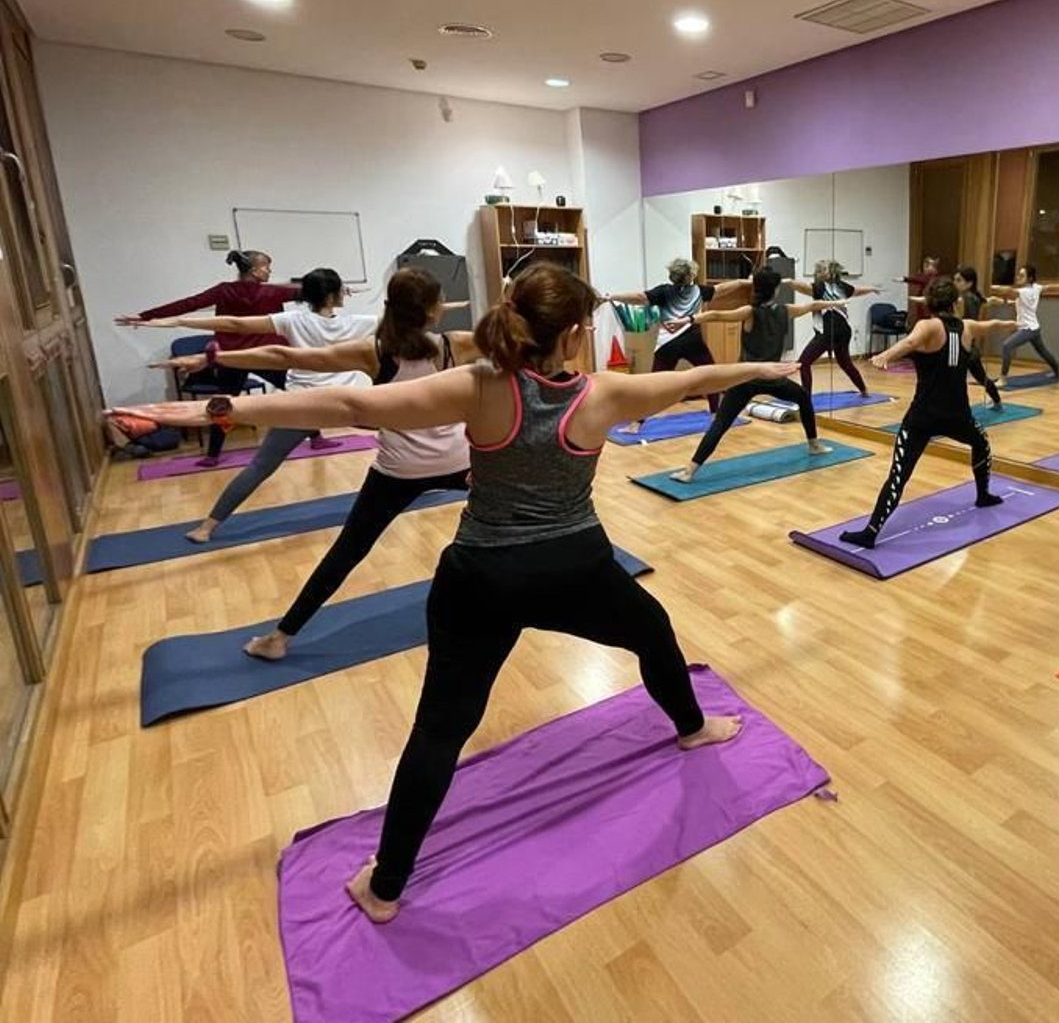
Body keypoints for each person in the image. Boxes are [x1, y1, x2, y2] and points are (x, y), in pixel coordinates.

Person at [120, 262, 787, 922]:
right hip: (577, 569)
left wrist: (218, 407)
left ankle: (385, 886)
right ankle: (693, 728)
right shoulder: (604, 393)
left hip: (482, 579)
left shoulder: (481, 385)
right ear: (573, 334)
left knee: (441, 729)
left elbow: (352, 405)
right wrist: (762, 368)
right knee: (652, 630)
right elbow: (695, 378)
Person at [152, 268, 479, 659]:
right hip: (458, 463)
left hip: (399, 470)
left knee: (347, 551)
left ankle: (279, 639)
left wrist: (213, 357)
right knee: (520, 515)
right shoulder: (456, 344)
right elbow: (518, 342)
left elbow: (282, 355)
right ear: (433, 308)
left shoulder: (374, 350)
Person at [121, 268, 376, 542]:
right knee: (401, 435)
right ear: (334, 295)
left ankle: (206, 528)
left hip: (300, 406)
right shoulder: (359, 323)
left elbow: (234, 324)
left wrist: (170, 321)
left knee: (260, 466)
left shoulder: (292, 320)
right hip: (346, 406)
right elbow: (404, 319)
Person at [838, 277, 1017, 549]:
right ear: (956, 302)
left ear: (929, 303)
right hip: (958, 416)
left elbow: (910, 342)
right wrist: (1012, 324)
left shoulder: (928, 325)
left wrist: (886, 355)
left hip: (922, 417)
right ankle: (983, 495)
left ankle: (871, 532)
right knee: (981, 443)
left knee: (899, 475)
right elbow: (991, 325)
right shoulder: (967, 327)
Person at [115, 249, 305, 466]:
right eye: (266, 267)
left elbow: (188, 303)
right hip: (262, 356)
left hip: (231, 357)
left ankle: (213, 455)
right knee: (298, 393)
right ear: (254, 270)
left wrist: (145, 316)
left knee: (223, 405)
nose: (269, 271)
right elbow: (310, 292)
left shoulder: (224, 290)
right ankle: (317, 438)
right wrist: (329, 289)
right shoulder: (273, 292)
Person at [671, 266, 835, 483]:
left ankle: (689, 471)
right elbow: (813, 305)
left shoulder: (749, 311)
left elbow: (716, 314)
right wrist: (837, 303)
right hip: (770, 378)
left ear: (756, 289)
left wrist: (689, 319)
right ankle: (814, 445)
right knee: (803, 397)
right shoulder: (784, 310)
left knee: (721, 423)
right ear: (776, 290)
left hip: (746, 378)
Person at [609, 258, 749, 430]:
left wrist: (612, 296)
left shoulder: (663, 291)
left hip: (668, 344)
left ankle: (637, 424)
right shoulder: (699, 291)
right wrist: (746, 282)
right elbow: (726, 288)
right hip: (693, 343)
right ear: (691, 275)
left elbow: (639, 298)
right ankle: (715, 415)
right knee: (710, 376)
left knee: (653, 385)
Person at [908, 265, 1003, 410]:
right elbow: (988, 301)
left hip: (960, 346)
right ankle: (997, 401)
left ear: (969, 283)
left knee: (952, 379)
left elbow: (956, 320)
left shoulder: (960, 299)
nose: (955, 283)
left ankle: (949, 409)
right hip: (969, 346)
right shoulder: (977, 297)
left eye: (959, 280)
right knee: (980, 377)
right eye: (955, 279)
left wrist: (922, 300)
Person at [787, 259, 876, 397]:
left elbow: (802, 287)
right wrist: (872, 289)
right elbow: (857, 291)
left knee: (803, 363)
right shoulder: (841, 286)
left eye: (818, 271)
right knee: (845, 363)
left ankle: (806, 397)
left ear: (824, 273)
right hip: (844, 331)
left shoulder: (820, 287)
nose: (815, 273)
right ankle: (864, 391)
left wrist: (787, 282)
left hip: (828, 332)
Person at [990, 264, 1059, 384]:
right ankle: (1057, 372)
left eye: (1022, 275)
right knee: (1043, 351)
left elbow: (1009, 291)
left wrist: (990, 286)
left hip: (1027, 329)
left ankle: (1003, 379)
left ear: (1030, 278)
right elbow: (1049, 287)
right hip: (1035, 328)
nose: (1018, 277)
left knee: (1007, 346)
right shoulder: (1036, 287)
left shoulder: (1024, 292)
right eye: (1018, 275)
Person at [896, 255, 942, 321]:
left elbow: (917, 279)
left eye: (928, 265)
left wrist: (904, 279)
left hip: (928, 308)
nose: (926, 268)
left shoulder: (933, 278)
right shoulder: (926, 276)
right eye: (925, 265)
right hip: (924, 308)